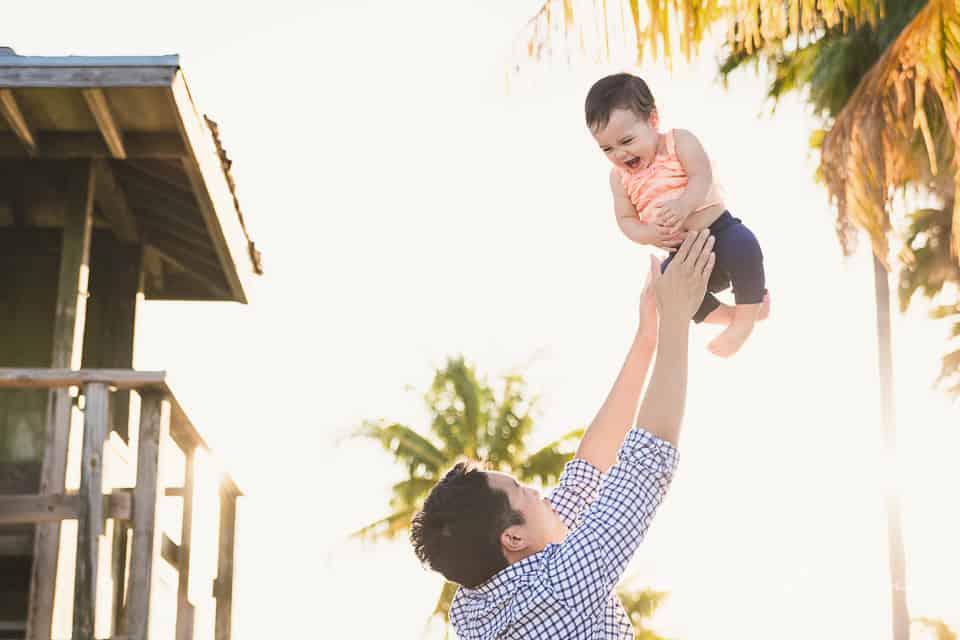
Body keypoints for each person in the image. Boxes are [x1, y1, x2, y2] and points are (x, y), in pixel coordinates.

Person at [409, 230, 715, 639]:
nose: (537, 491)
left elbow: (586, 476)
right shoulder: (555, 590)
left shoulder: (476, 603)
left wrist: (649, 337)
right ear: (512, 537)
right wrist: (677, 317)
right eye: (521, 489)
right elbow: (643, 468)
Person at [586, 72, 769, 357]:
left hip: (719, 232)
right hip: (683, 254)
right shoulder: (619, 178)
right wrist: (649, 234)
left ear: (653, 120)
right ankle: (734, 316)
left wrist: (684, 205)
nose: (619, 154)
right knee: (666, 291)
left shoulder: (679, 142)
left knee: (745, 245)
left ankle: (744, 323)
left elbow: (701, 175)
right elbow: (626, 220)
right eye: (607, 148)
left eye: (627, 140)